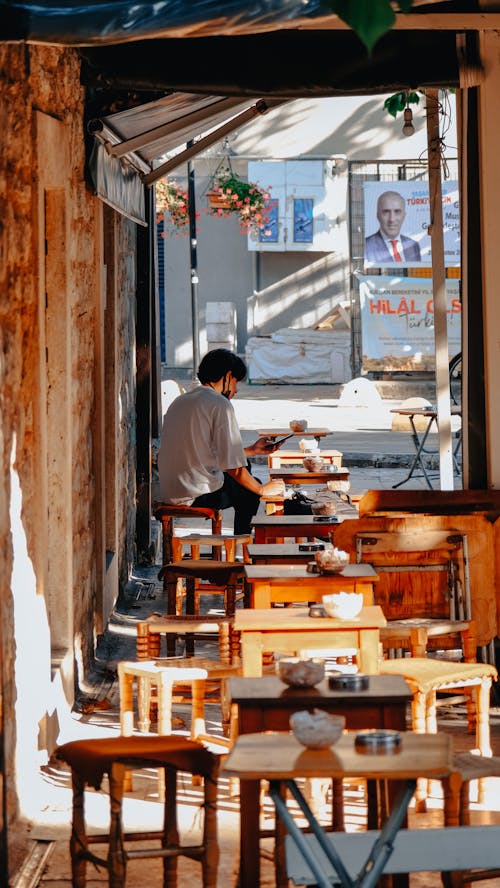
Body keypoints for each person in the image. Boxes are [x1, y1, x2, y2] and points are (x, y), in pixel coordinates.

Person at [157, 348, 284, 535]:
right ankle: (243, 541)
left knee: (245, 466)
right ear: (227, 376)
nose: (236, 389)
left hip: (171, 490)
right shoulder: (220, 404)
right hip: (196, 494)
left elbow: (201, 452)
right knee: (249, 489)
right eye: (235, 382)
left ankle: (241, 541)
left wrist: (251, 450)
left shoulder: (180, 401)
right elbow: (234, 468)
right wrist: (262, 489)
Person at [365, 190, 421, 264]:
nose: (392, 219)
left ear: (404, 216)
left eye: (397, 212)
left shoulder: (414, 245)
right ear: (378, 216)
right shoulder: (366, 246)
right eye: (386, 212)